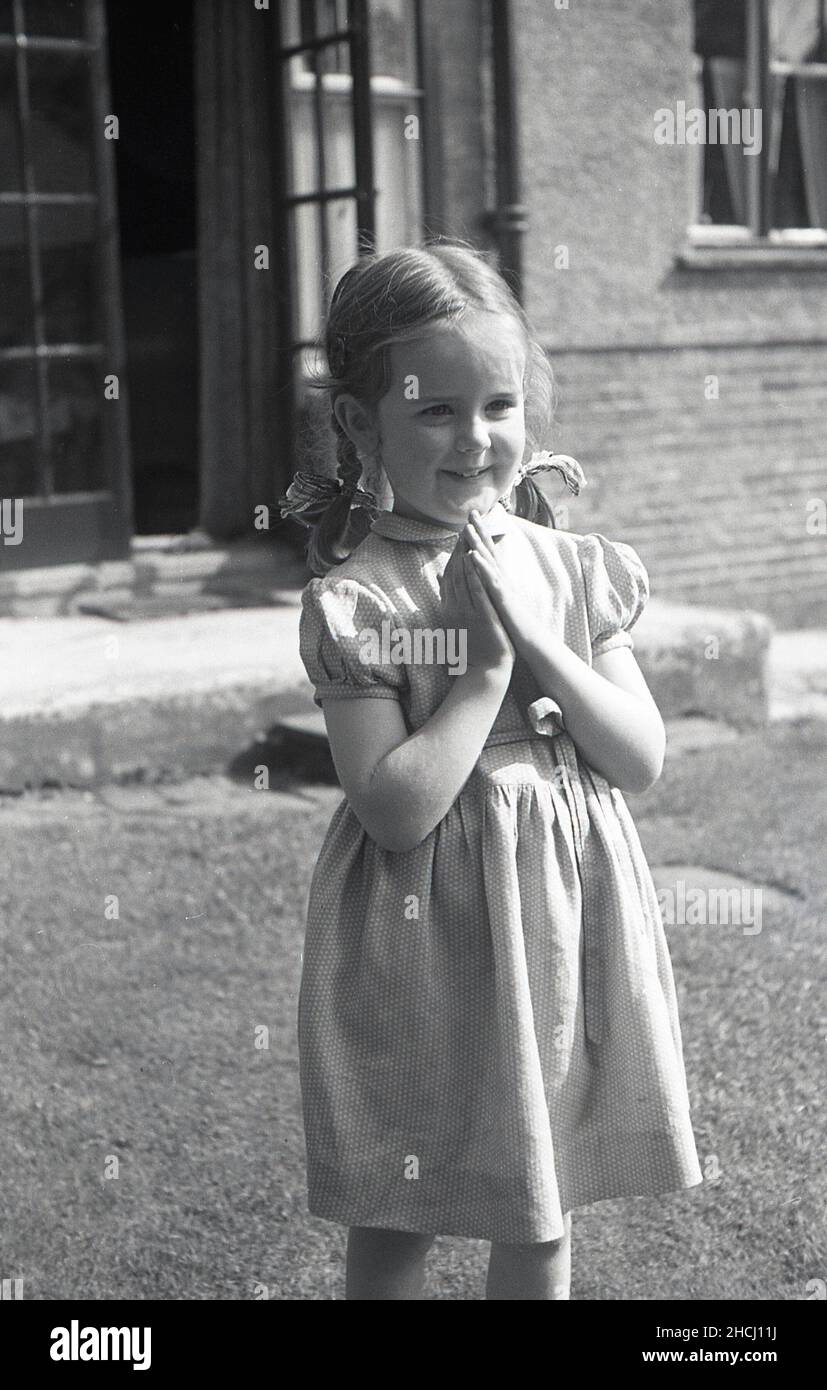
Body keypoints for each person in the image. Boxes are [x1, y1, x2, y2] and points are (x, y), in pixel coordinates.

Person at [280, 240, 703, 1301]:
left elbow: (636, 755)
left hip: (557, 928)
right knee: (399, 1217)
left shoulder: (572, 568)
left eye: (498, 404)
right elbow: (390, 811)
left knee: (540, 1205)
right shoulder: (359, 603)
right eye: (433, 410)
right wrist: (480, 673)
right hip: (419, 944)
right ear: (359, 424)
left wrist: (542, 641)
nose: (474, 438)